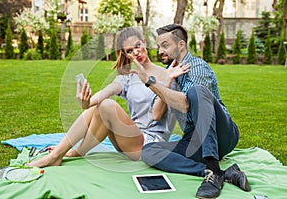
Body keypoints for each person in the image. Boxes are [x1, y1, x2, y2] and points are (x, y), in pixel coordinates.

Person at [26, 27, 188, 168]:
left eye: (137, 46)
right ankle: (67, 153)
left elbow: (157, 115)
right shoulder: (127, 77)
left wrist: (166, 82)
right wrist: (85, 101)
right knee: (99, 105)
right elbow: (99, 97)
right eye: (129, 51)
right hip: (127, 141)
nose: (136, 52)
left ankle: (59, 155)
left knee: (108, 106)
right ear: (125, 54)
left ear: (144, 42)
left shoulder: (167, 74)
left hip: (150, 145)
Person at [128, 24, 250, 198]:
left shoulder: (197, 67)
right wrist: (166, 80)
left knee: (196, 91)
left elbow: (186, 105)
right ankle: (216, 173)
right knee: (149, 151)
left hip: (221, 134)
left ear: (181, 45)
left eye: (165, 45)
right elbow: (155, 115)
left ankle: (213, 170)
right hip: (194, 139)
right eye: (158, 46)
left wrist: (150, 82)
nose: (160, 50)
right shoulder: (171, 72)